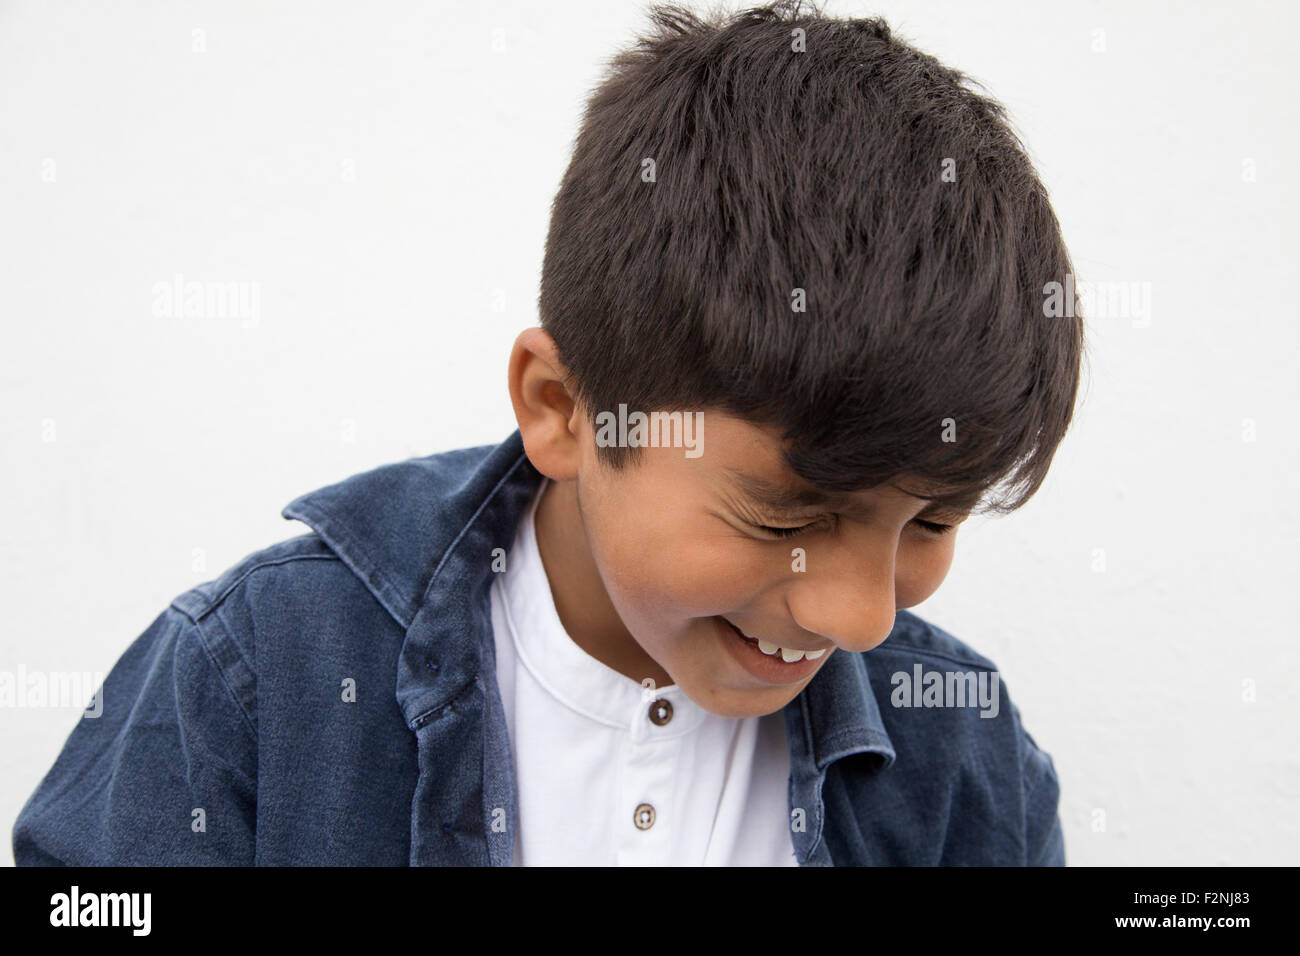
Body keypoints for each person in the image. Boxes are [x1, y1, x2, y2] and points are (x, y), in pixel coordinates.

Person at [13, 0, 1083, 866]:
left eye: (932, 520)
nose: (858, 614)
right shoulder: (254, 684)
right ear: (561, 408)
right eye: (788, 512)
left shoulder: (965, 763)